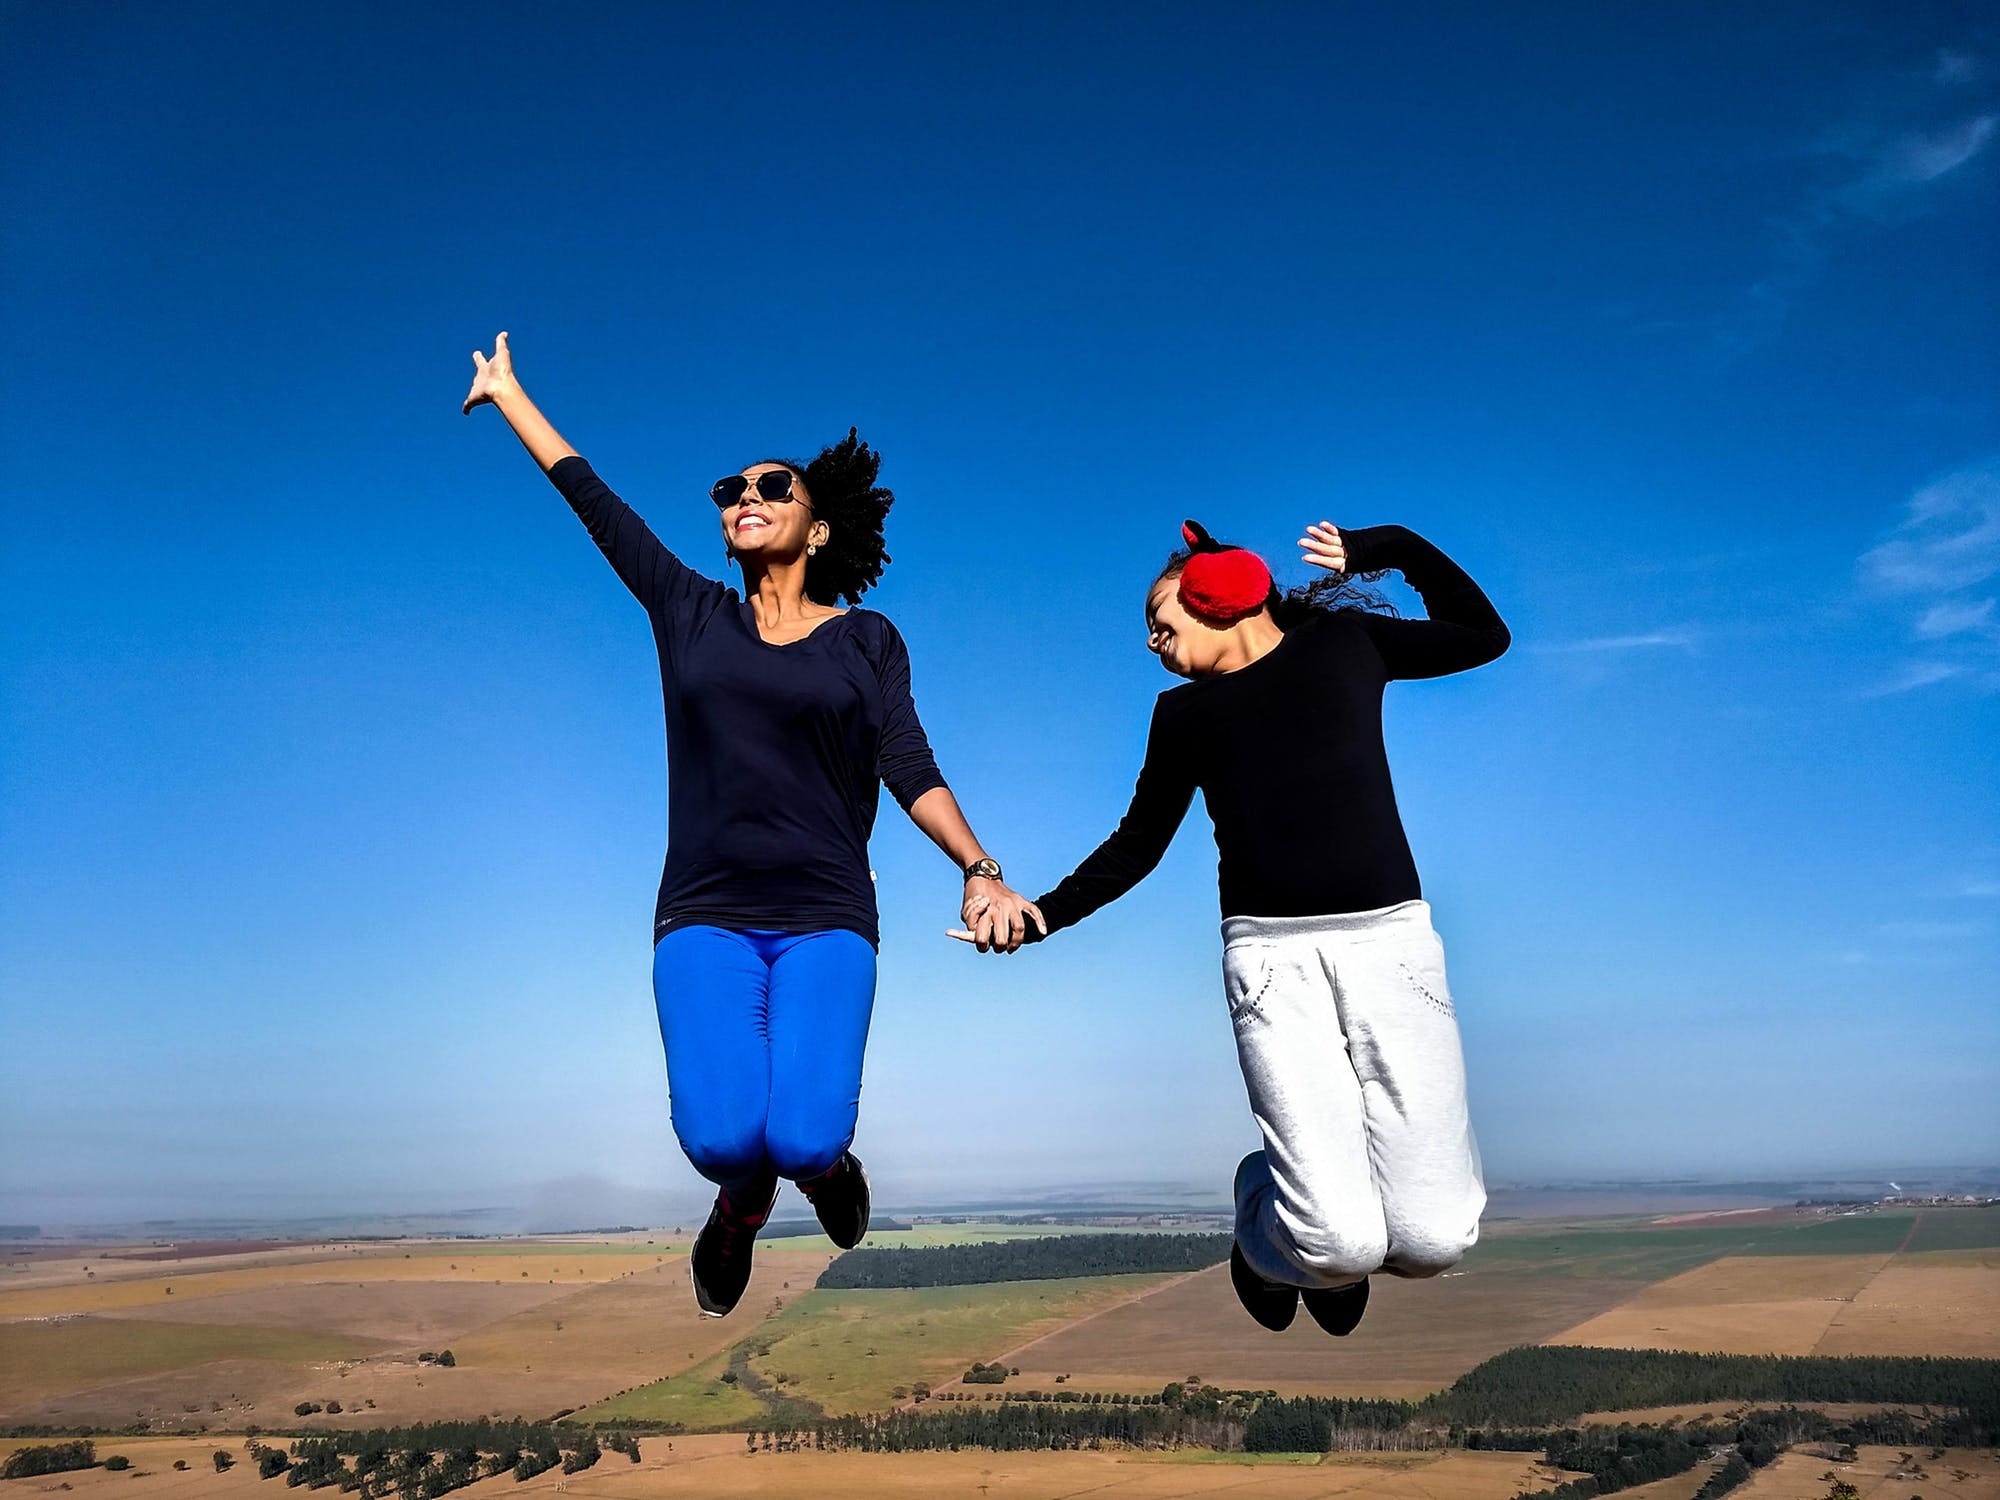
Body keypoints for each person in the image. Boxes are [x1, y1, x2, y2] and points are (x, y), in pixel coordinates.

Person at [464, 332, 1042, 1317]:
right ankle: (739, 1209)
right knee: (725, 1141)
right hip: (705, 911)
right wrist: (512, 395)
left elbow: (907, 763)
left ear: (817, 530)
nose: (746, 496)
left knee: (809, 1135)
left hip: (824, 914)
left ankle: (825, 1177)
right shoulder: (689, 612)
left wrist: (979, 867)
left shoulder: (867, 640)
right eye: (730, 487)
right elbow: (595, 505)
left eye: (774, 485)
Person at [961, 516, 1507, 1335]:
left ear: (1214, 596)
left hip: (1390, 948)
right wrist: (1039, 917)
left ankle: (1291, 1208)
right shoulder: (1182, 717)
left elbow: (1482, 636)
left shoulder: (1347, 646)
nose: (1151, 641)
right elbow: (1136, 845)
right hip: (1272, 966)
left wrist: (1388, 543)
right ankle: (1264, 1226)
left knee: (1433, 1241)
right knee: (1337, 1245)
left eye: (1159, 619)